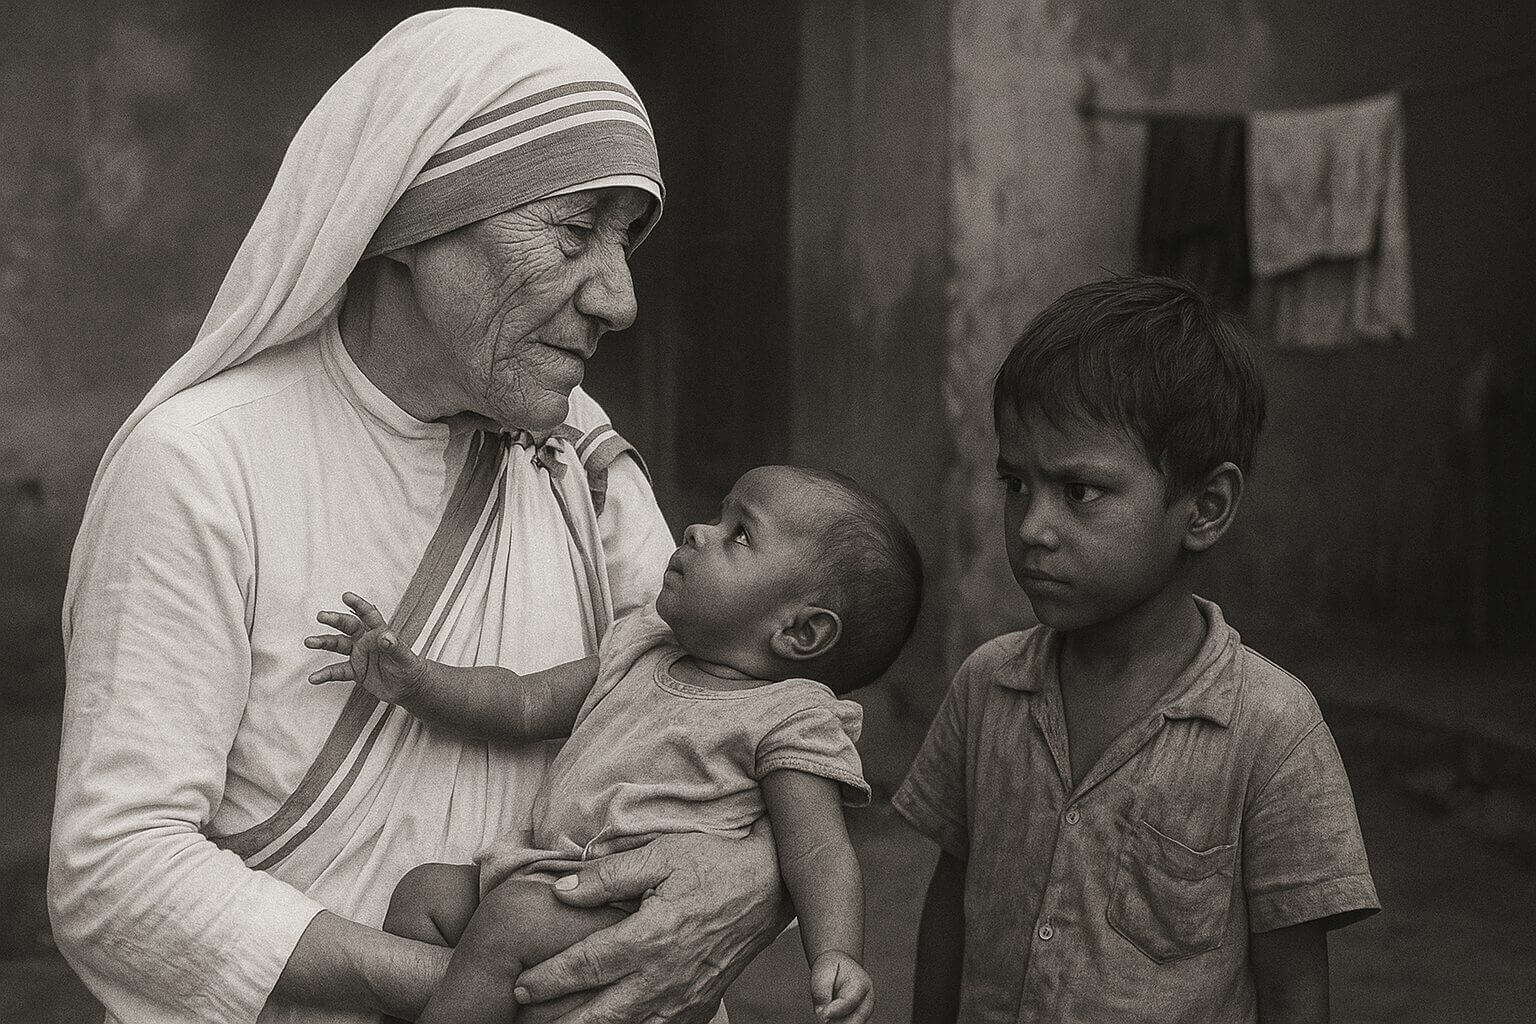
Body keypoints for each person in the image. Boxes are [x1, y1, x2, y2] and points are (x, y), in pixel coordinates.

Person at [50, 10, 786, 1024]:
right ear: (410, 223)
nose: (618, 299)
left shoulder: (577, 451)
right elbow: (117, 872)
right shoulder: (201, 464)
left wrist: (753, 878)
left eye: (625, 242)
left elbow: (725, 704)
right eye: (574, 232)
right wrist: (482, 993)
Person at [895, 276, 1381, 1024]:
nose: (1032, 528)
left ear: (1205, 508)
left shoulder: (1271, 732)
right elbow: (951, 909)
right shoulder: (987, 688)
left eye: (1079, 492)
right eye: (1016, 484)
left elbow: (1293, 990)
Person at [302, 464, 922, 1024]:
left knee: (509, 922)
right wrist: (416, 682)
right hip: (545, 871)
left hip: (632, 909)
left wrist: (837, 952)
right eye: (718, 516)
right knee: (425, 894)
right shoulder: (640, 649)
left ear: (802, 631)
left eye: (740, 535)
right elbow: (523, 700)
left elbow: (817, 847)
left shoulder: (790, 717)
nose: (698, 531)